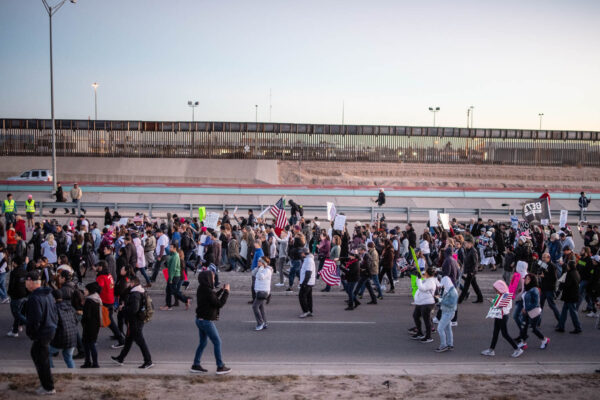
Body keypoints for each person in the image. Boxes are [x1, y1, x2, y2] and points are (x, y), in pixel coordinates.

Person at [190, 271, 231, 374]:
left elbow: (212, 298)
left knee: (203, 343)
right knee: (217, 342)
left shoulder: (202, 288)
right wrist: (226, 292)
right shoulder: (208, 291)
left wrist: (221, 290)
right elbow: (219, 303)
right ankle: (220, 366)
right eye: (212, 278)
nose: (214, 280)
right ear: (207, 278)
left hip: (199, 320)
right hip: (206, 322)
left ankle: (196, 364)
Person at [25, 270, 58, 395]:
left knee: (42, 359)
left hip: (42, 332)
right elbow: (55, 312)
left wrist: (32, 333)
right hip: (49, 329)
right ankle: (46, 384)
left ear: (31, 282)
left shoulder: (34, 298)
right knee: (38, 355)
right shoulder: (47, 294)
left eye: (26, 281)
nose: (25, 284)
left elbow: (35, 320)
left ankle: (48, 387)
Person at [111, 277, 154, 369]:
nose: (127, 284)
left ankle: (148, 361)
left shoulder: (135, 294)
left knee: (140, 341)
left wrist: (123, 309)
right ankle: (121, 358)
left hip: (135, 321)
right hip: (136, 320)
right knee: (128, 340)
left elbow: (134, 309)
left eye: (128, 282)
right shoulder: (139, 291)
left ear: (133, 283)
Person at [481, 280, 523, 358]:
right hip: (499, 315)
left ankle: (517, 349)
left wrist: (493, 301)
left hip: (502, 316)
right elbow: (499, 304)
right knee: (496, 333)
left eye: (496, 289)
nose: (495, 291)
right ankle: (491, 350)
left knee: (505, 334)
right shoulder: (502, 294)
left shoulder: (506, 295)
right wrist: (493, 301)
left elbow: (501, 305)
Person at [515, 274, 550, 350]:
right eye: (526, 278)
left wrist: (526, 308)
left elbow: (536, 303)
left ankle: (544, 340)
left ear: (532, 280)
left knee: (534, 329)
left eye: (528, 279)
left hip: (534, 312)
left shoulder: (534, 290)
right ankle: (523, 343)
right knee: (524, 327)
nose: (525, 280)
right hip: (526, 312)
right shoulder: (527, 288)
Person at [95, 261, 125, 348]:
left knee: (102, 320)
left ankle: (120, 339)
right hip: (110, 300)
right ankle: (119, 337)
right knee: (107, 320)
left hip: (104, 301)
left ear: (100, 267)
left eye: (97, 266)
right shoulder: (109, 275)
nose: (96, 268)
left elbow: (98, 288)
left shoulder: (101, 277)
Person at [49, 289, 78, 369]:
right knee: (68, 357)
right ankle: (73, 373)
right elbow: (75, 320)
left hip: (61, 337)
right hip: (72, 337)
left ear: (53, 298)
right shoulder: (70, 306)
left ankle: (52, 371)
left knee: (46, 353)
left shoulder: (54, 309)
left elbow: (54, 324)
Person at [409, 267, 437, 343]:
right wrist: (416, 274)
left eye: (425, 273)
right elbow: (422, 279)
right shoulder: (427, 279)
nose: (424, 274)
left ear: (428, 274)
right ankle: (419, 333)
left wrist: (418, 278)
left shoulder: (431, 282)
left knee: (426, 320)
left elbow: (422, 288)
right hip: (421, 302)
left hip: (427, 303)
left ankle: (428, 337)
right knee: (415, 316)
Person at [160, 243, 191, 311]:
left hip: (174, 276)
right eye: (170, 247)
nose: (170, 248)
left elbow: (172, 268)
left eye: (171, 247)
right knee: (169, 291)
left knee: (174, 291)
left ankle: (185, 300)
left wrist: (170, 278)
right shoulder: (172, 254)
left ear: (175, 248)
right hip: (173, 276)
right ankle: (169, 305)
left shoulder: (175, 256)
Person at [556, 260, 582, 334]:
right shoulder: (576, 273)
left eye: (568, 265)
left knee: (572, 313)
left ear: (570, 266)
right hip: (571, 296)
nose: (567, 266)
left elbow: (567, 285)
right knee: (564, 312)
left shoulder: (570, 274)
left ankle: (578, 327)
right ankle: (561, 326)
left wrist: (562, 284)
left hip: (570, 296)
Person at [81, 282, 102, 368]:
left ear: (90, 291)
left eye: (86, 289)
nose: (84, 291)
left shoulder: (89, 301)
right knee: (91, 343)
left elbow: (87, 316)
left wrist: (83, 321)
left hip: (89, 326)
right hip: (96, 325)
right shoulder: (97, 299)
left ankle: (90, 362)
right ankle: (93, 362)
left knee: (88, 344)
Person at [7, 255, 28, 337]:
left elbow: (11, 285)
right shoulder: (25, 271)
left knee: (16, 313)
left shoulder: (14, 272)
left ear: (15, 263)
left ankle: (28, 324)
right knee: (20, 312)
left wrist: (9, 293)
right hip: (24, 295)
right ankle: (15, 330)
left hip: (16, 295)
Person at [458, 236, 483, 304]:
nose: (465, 245)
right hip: (469, 270)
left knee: (466, 287)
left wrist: (473, 272)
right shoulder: (468, 250)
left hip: (471, 271)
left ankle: (459, 300)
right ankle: (480, 298)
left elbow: (475, 262)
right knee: (474, 285)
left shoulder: (473, 251)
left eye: (466, 243)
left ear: (470, 243)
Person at [436, 276, 458, 352]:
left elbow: (451, 303)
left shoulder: (453, 292)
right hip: (447, 312)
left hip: (448, 312)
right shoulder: (450, 289)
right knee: (448, 329)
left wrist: (441, 300)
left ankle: (443, 345)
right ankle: (450, 344)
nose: (443, 286)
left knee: (440, 328)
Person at [538, 252, 561, 323]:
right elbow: (539, 268)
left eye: (544, 257)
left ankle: (560, 321)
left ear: (549, 258)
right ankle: (537, 322)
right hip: (543, 288)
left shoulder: (552, 266)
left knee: (552, 305)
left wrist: (544, 276)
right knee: (540, 306)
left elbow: (554, 278)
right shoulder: (545, 264)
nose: (543, 259)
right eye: (542, 257)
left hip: (549, 289)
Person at [252, 257, 272, 331]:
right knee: (261, 307)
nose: (258, 262)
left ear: (263, 263)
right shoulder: (261, 269)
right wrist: (258, 268)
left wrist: (260, 269)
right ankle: (265, 323)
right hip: (260, 291)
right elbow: (253, 273)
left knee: (254, 306)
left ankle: (260, 323)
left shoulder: (267, 270)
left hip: (263, 292)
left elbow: (261, 277)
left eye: (259, 261)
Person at [298, 247, 315, 318]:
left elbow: (308, 272)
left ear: (305, 253)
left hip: (307, 283)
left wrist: (304, 283)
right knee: (308, 297)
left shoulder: (309, 260)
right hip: (308, 282)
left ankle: (306, 311)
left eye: (301, 252)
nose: (300, 254)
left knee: (301, 296)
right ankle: (310, 311)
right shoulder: (307, 259)